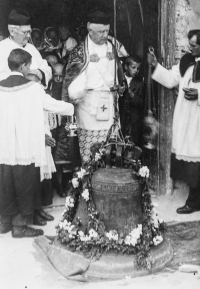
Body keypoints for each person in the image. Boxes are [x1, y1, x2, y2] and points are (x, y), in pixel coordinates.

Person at [0, 49, 74, 237]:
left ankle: (4, 223)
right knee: (24, 184)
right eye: (29, 65)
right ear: (24, 66)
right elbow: (51, 105)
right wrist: (71, 108)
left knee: (6, 183)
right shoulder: (32, 88)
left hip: (5, 146)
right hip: (25, 146)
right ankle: (19, 227)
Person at [62, 9, 125, 163]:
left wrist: (122, 86)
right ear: (90, 29)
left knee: (112, 152)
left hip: (110, 107)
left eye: (107, 31)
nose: (105, 35)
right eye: (101, 32)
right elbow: (69, 82)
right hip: (88, 109)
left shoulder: (112, 45)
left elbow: (120, 71)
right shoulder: (79, 52)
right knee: (90, 155)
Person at [148, 29, 200, 214]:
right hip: (187, 119)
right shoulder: (186, 61)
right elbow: (171, 80)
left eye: (193, 46)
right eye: (189, 45)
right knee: (191, 161)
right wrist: (155, 65)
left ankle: (194, 202)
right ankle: (195, 201)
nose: (190, 49)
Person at [0, 9, 52, 87]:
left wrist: (40, 73)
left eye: (29, 32)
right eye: (25, 32)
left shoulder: (31, 48)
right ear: (12, 31)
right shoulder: (2, 48)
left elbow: (46, 68)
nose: (28, 36)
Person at [120, 55, 143, 145]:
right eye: (133, 67)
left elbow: (141, 102)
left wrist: (132, 94)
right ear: (126, 67)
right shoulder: (119, 79)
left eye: (138, 68)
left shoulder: (140, 83)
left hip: (134, 120)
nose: (136, 70)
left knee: (132, 143)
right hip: (122, 117)